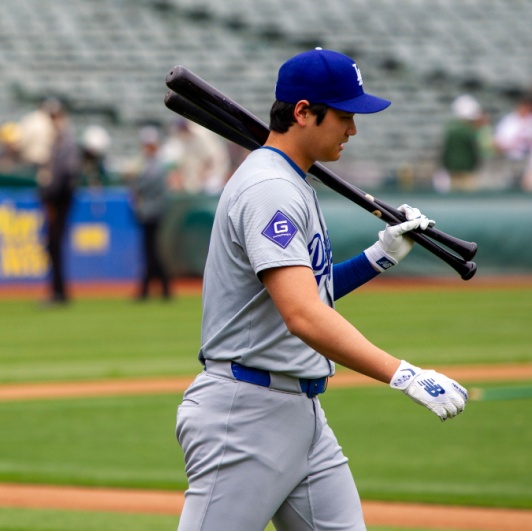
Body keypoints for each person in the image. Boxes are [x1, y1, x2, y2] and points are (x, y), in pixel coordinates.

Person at [175, 48, 468, 531]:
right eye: (344, 116)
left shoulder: (289, 182)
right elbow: (303, 315)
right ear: (303, 112)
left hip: (300, 411)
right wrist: (403, 373)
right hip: (246, 415)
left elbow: (312, 293)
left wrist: (379, 258)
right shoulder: (269, 188)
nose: (352, 129)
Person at [36, 107, 82, 305]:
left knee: (54, 244)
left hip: (61, 200)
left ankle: (59, 292)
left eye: (55, 117)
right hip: (57, 199)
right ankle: (57, 290)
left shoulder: (67, 143)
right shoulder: (58, 141)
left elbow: (66, 176)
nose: (53, 121)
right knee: (53, 245)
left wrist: (51, 197)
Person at [127, 125, 172, 301]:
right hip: (150, 212)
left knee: (150, 252)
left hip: (152, 212)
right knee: (150, 252)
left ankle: (156, 288)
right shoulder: (151, 163)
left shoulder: (155, 165)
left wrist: (134, 181)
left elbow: (146, 184)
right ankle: (153, 289)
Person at [436, 94, 483, 192]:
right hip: (467, 170)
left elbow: (445, 151)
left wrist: (446, 165)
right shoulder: (469, 131)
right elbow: (475, 150)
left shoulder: (451, 130)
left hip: (452, 170)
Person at [492, 96, 532, 187]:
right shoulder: (508, 120)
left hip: (527, 158)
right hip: (509, 157)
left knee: (528, 185)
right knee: (509, 184)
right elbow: (499, 139)